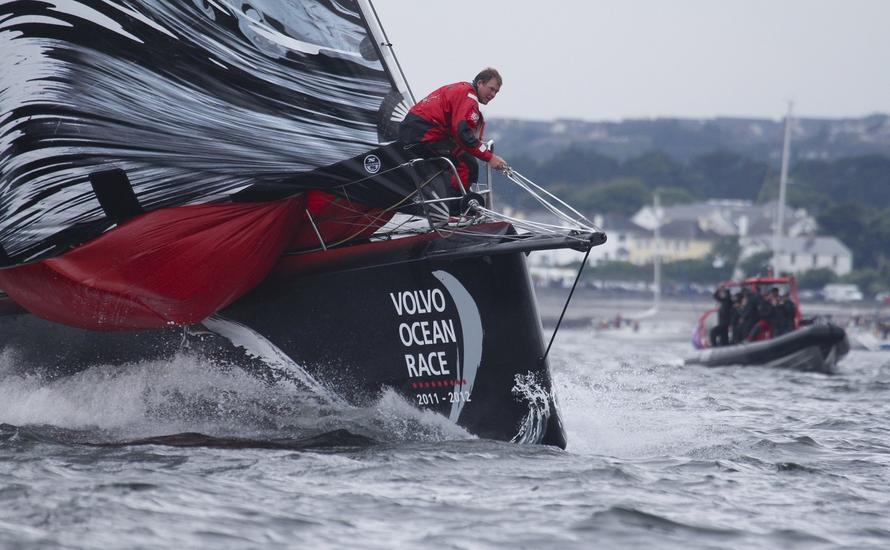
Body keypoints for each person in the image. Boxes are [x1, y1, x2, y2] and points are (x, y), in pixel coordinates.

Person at [398, 68, 508, 199]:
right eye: (491, 89)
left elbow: (461, 132)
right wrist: (490, 157)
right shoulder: (469, 97)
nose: (493, 94)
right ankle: (454, 207)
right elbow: (464, 134)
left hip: (416, 131)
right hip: (423, 134)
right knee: (467, 164)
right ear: (480, 83)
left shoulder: (461, 90)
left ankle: (445, 200)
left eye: (496, 92)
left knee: (463, 157)